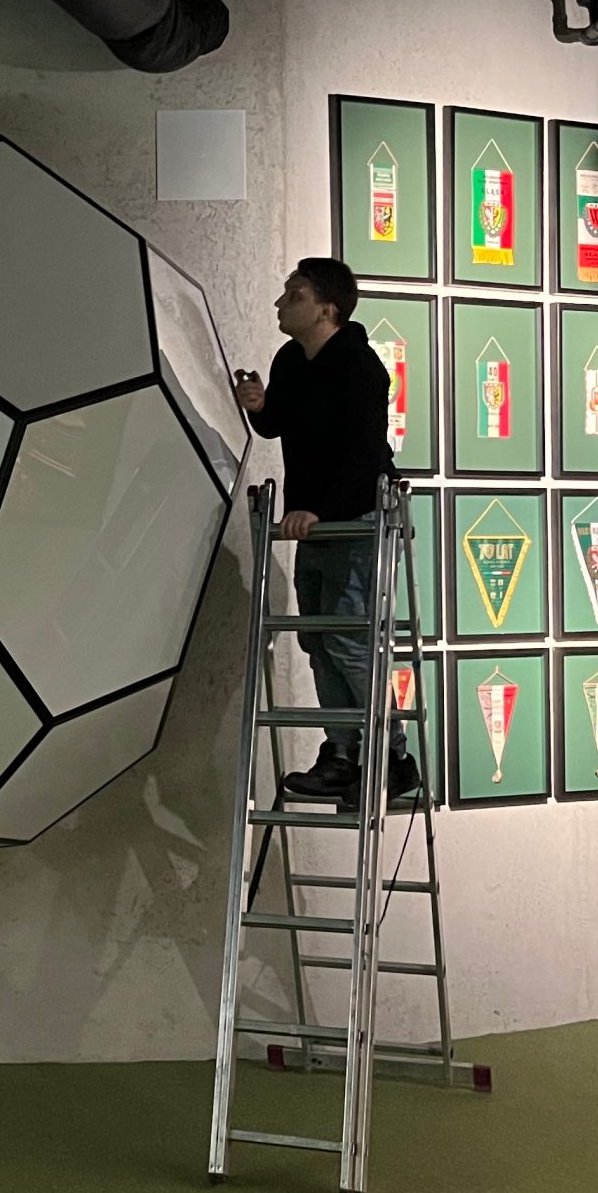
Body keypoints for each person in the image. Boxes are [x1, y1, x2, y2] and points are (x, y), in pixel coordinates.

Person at [232, 257, 419, 803]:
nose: (281, 303)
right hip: (319, 521)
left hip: (358, 519)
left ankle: (392, 756)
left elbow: (364, 454)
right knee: (319, 639)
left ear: (327, 309)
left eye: (295, 294)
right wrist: (260, 405)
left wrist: (318, 510)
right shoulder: (291, 359)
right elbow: (278, 423)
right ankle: (341, 753)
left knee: (347, 637)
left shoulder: (359, 366)